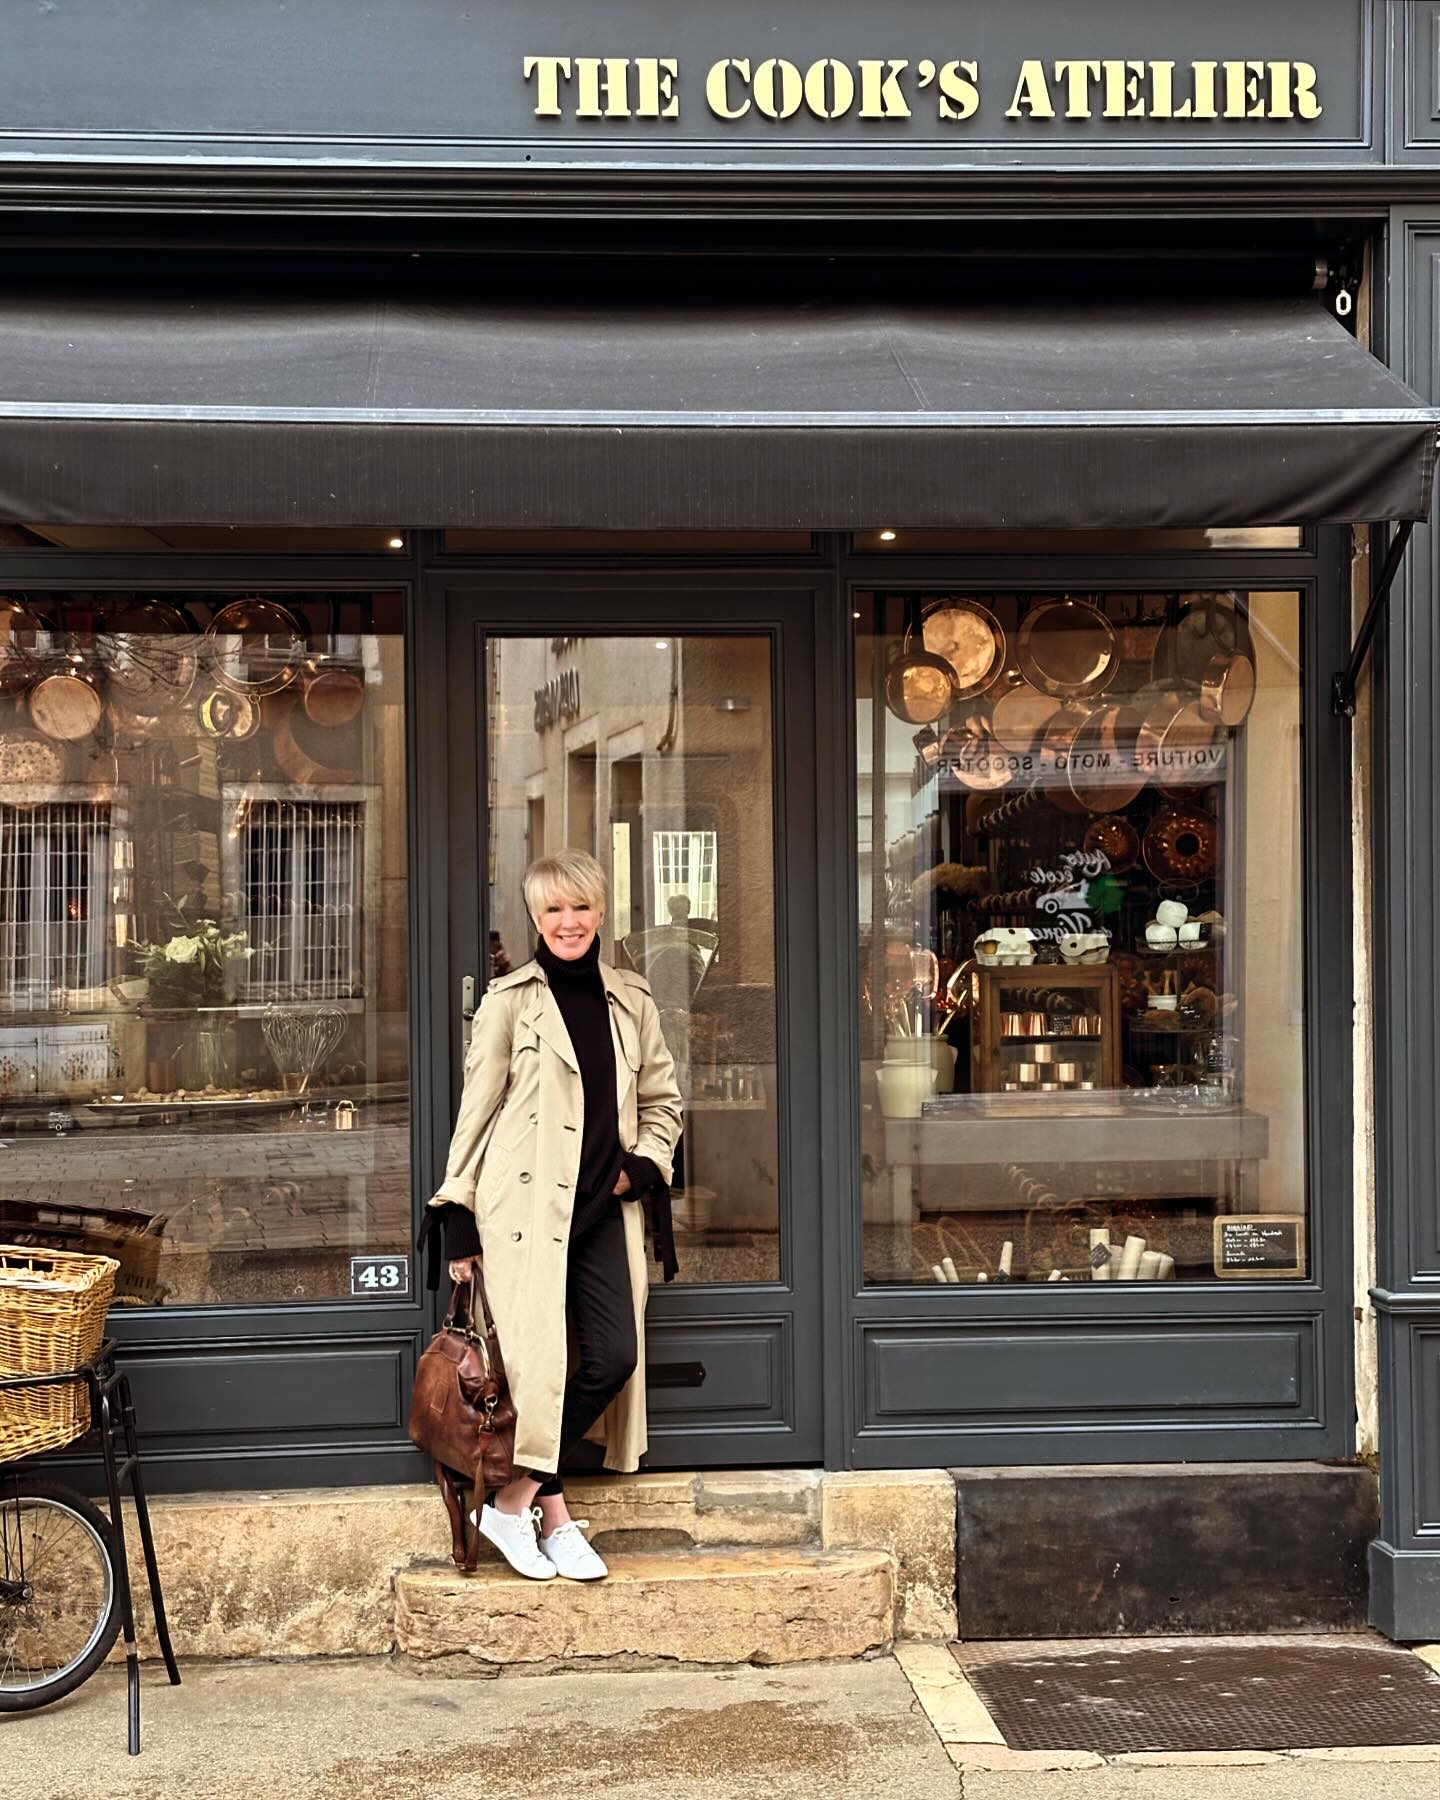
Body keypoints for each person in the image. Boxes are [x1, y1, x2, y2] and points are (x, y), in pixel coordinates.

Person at [426, 849, 683, 1583]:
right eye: (552, 910)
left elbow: (664, 1103)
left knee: (611, 1357)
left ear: (601, 913)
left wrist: (644, 1165)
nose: (567, 923)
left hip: (605, 1209)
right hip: (522, 1213)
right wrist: (459, 1216)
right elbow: (475, 1116)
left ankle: (510, 1501)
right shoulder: (509, 1001)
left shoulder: (633, 1001)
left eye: (580, 908)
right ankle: (556, 1519)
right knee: (539, 1372)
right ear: (536, 919)